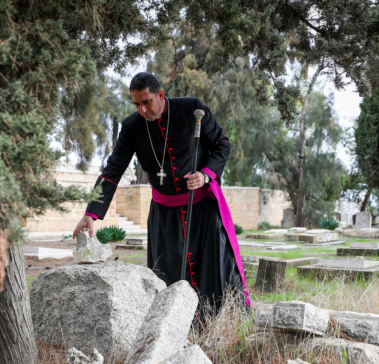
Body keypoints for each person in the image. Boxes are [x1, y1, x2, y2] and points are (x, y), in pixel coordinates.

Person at [72, 72, 250, 317]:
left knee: (213, 269)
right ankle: (172, 325)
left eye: (147, 102)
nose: (143, 110)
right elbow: (113, 169)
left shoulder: (192, 109)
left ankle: (216, 322)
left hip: (201, 207)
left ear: (161, 95)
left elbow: (222, 144)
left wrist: (206, 174)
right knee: (166, 274)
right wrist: (91, 212)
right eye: (136, 104)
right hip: (164, 215)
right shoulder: (132, 127)